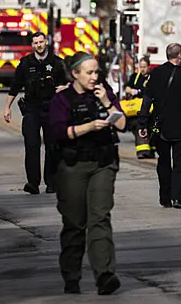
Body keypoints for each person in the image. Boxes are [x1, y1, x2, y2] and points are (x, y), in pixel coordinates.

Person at [48, 52, 126, 295]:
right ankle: (71, 277)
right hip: (73, 165)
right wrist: (89, 127)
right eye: (89, 72)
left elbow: (123, 124)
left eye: (96, 72)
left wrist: (105, 103)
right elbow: (58, 133)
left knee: (100, 218)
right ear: (75, 74)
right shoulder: (62, 100)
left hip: (102, 163)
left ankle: (105, 275)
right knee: (74, 223)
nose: (94, 77)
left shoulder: (103, 94)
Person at [137, 43, 181, 209]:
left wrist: (143, 123)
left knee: (163, 162)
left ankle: (165, 197)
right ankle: (178, 198)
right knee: (180, 164)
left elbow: (147, 101)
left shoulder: (156, 74)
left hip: (161, 127)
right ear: (180, 55)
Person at [4, 31, 68, 195]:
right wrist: (7, 107)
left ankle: (51, 182)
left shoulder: (57, 63)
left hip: (52, 109)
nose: (39, 45)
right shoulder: (26, 63)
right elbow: (15, 86)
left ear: (46, 42)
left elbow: (72, 81)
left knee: (52, 147)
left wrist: (66, 87)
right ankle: (33, 183)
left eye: (41, 42)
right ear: (32, 45)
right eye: (36, 43)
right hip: (32, 109)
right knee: (31, 146)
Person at [123, 57, 153, 159]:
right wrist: (131, 91)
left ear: (149, 67)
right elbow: (126, 87)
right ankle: (142, 151)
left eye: (144, 67)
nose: (142, 69)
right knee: (137, 126)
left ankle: (150, 150)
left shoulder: (153, 78)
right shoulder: (135, 77)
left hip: (150, 108)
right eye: (141, 67)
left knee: (151, 128)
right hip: (137, 109)